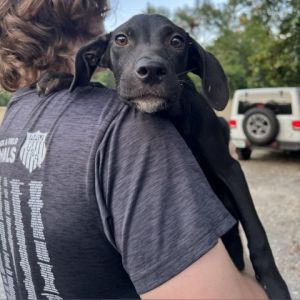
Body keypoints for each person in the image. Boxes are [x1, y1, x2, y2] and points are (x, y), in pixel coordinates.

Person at [0, 1, 267, 299]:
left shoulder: (16, 115)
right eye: (103, 17)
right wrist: (251, 279)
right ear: (90, 30)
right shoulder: (129, 129)